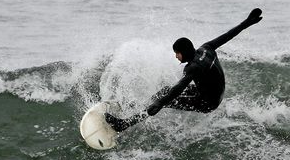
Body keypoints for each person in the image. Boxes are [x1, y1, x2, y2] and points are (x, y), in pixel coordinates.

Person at [104, 8, 263, 132]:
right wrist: (246, 23)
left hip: (209, 102)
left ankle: (124, 124)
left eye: (177, 53)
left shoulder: (193, 67)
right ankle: (138, 107)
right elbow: (227, 35)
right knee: (165, 92)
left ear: (184, 52)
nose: (176, 57)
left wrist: (160, 103)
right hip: (212, 92)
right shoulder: (206, 48)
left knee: (165, 98)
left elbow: (180, 87)